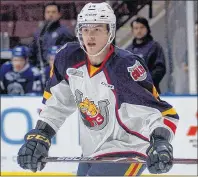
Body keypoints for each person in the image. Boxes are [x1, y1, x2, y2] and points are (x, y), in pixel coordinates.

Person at [17, 2, 179, 176]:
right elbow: (57, 104)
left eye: (97, 29)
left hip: (129, 146)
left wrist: (161, 141)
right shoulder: (68, 59)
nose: (90, 36)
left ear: (110, 32)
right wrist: (41, 135)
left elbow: (162, 113)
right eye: (85, 29)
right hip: (92, 150)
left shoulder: (126, 66)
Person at [28, 2, 76, 67]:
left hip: (58, 68)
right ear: (44, 14)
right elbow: (32, 52)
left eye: (53, 12)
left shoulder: (65, 32)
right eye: (48, 12)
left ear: (59, 14)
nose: (50, 14)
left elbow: (70, 53)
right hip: (40, 69)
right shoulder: (38, 33)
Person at [126, 17, 166, 93]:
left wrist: (146, 83)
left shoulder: (155, 47)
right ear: (132, 31)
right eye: (136, 28)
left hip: (150, 92)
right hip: (132, 93)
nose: (139, 30)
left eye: (142, 27)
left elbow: (160, 69)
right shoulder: (128, 50)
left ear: (147, 29)